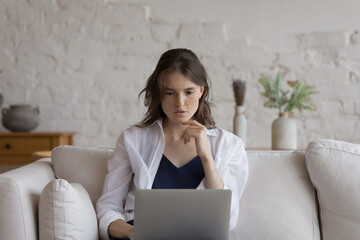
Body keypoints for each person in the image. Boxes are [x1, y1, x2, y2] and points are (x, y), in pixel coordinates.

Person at [96, 48, 249, 240]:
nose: (180, 103)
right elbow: (108, 207)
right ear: (159, 95)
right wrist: (132, 232)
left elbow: (227, 220)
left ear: (201, 91)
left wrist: (206, 158)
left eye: (189, 92)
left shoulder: (229, 145)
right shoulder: (132, 139)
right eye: (170, 93)